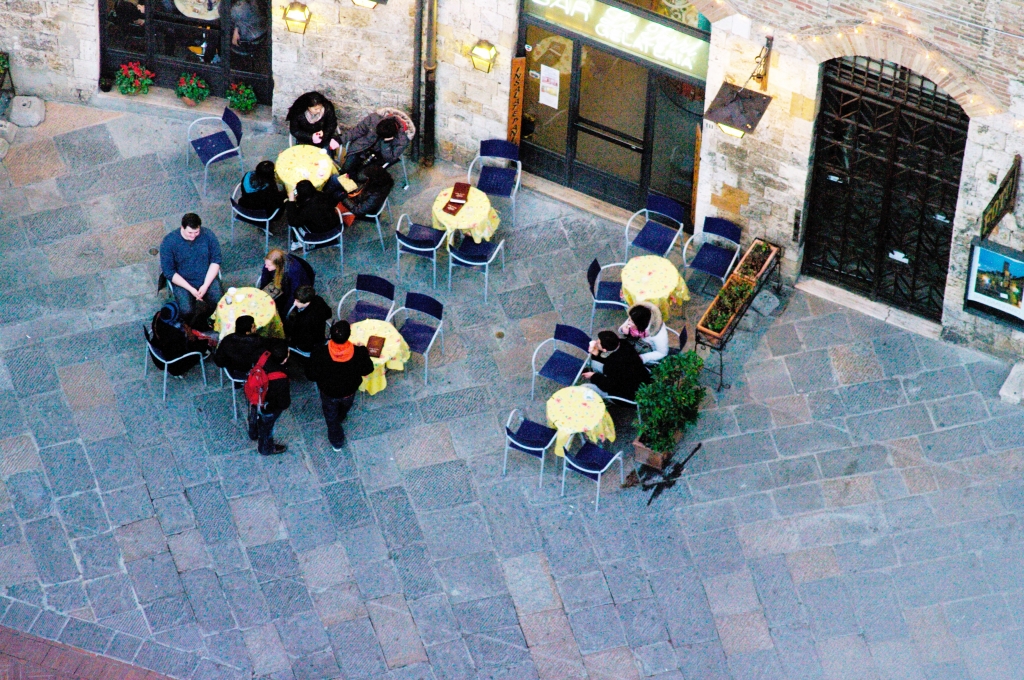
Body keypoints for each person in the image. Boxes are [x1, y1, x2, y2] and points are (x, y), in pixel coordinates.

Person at [305, 321, 374, 451]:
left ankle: (337, 441)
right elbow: (368, 369)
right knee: (344, 407)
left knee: (330, 417)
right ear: (349, 335)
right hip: (349, 391)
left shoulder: (319, 353)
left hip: (329, 392)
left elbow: (311, 375)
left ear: (330, 335)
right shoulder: (359, 352)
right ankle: (340, 416)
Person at [160, 213, 223, 319]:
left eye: (196, 232)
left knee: (220, 302)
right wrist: (190, 289)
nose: (193, 236)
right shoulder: (168, 242)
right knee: (186, 311)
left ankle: (211, 320)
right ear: (182, 228)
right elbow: (169, 272)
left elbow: (215, 260)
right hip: (183, 281)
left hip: (206, 277)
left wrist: (205, 285)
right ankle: (190, 325)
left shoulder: (208, 235)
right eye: (190, 232)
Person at [338, 108, 414, 177]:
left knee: (362, 176)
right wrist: (340, 139)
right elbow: (357, 131)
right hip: (361, 147)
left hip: (379, 156)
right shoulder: (374, 118)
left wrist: (386, 143)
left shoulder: (403, 139)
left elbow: (390, 158)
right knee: (345, 170)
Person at [247, 343, 290, 456]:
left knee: (253, 412)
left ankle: (253, 433)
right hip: (268, 406)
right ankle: (265, 449)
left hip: (255, 395)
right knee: (267, 428)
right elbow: (284, 403)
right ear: (284, 359)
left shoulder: (261, 356)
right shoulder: (281, 378)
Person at [582, 330, 650, 401]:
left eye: (598, 343)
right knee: (594, 364)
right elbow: (610, 360)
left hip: (627, 395)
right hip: (641, 380)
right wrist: (596, 354)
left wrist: (593, 376)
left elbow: (607, 386)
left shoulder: (612, 365)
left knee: (585, 387)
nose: (596, 342)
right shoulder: (624, 343)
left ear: (604, 350)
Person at [148, 301, 213, 375]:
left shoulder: (158, 316)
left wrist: (185, 327)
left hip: (161, 347)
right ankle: (208, 350)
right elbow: (186, 347)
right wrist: (194, 339)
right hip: (176, 364)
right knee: (205, 347)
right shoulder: (175, 336)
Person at [257, 248, 315, 318]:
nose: (266, 266)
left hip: (294, 286)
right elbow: (265, 275)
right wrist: (262, 291)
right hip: (283, 283)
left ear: (278, 265)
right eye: (265, 263)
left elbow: (294, 292)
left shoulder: (293, 271)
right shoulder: (270, 262)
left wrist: (285, 312)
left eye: (269, 265)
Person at [325, 164, 394, 218]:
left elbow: (359, 211)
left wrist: (344, 198)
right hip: (358, 192)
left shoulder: (375, 196)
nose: (367, 178)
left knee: (335, 191)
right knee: (335, 178)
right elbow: (362, 180)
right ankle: (327, 196)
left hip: (355, 201)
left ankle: (327, 201)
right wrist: (353, 177)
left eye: (368, 177)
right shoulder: (380, 181)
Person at [285, 285, 332, 354]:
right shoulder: (318, 299)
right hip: (320, 336)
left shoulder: (304, 321)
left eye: (298, 301)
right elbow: (329, 314)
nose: (294, 303)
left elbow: (296, 337)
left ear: (307, 302)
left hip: (307, 346)